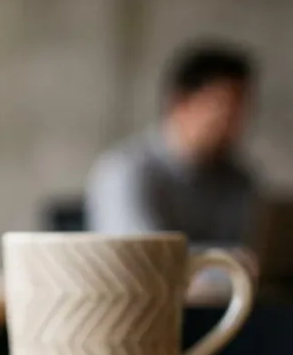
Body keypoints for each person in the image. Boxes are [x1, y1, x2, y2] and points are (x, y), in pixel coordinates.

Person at [86, 42, 262, 249]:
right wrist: (232, 264)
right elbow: (146, 260)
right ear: (180, 103)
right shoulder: (124, 171)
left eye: (242, 112)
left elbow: (254, 252)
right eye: (225, 110)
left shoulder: (238, 178)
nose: (235, 125)